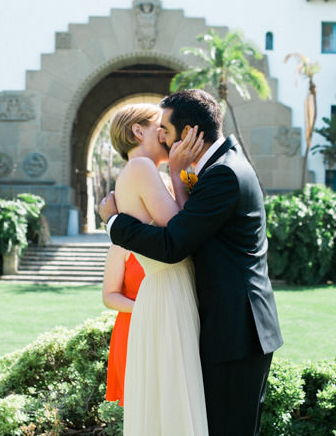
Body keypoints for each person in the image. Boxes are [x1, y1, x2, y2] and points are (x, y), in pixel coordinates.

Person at [99, 89, 283, 436]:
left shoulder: (224, 173)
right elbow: (181, 233)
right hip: (222, 325)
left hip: (236, 330)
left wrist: (113, 222)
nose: (164, 138)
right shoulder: (218, 168)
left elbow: (173, 243)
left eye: (166, 130)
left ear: (189, 133)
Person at [105, 102, 209, 435]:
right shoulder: (141, 169)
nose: (166, 135)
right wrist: (180, 174)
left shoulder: (143, 171)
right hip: (166, 290)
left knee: (170, 395)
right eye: (159, 127)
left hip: (167, 289)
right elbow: (180, 232)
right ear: (138, 131)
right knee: (174, 395)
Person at [102, 245, 144, 406]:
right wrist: (146, 309)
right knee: (139, 405)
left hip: (175, 327)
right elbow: (110, 295)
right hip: (133, 330)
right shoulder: (122, 245)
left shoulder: (180, 232)